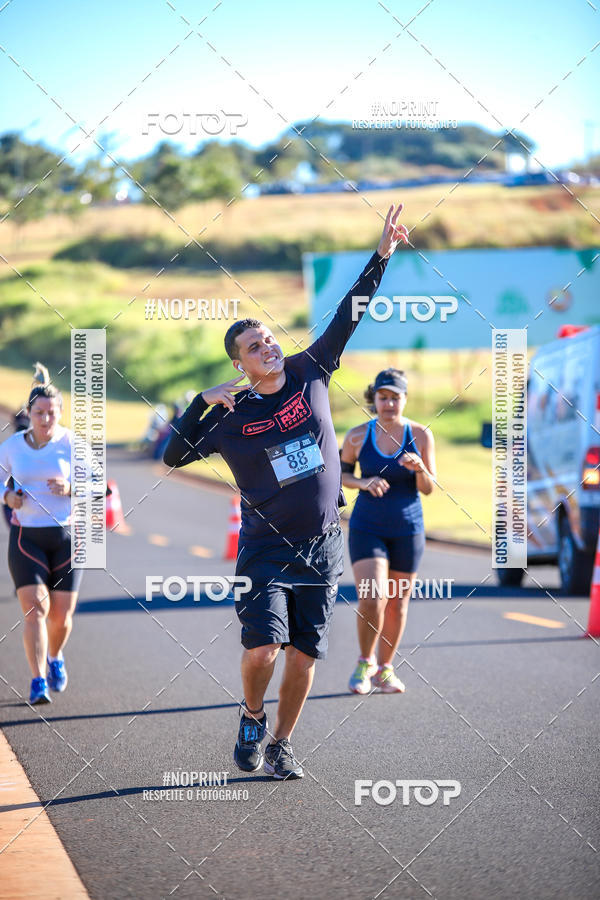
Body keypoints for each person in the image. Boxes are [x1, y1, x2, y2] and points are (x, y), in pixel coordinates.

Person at [164, 204, 408, 780]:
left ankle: (281, 743)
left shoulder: (310, 370)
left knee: (304, 655)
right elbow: (173, 455)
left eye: (268, 339)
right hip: (266, 548)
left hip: (323, 544)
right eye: (253, 347)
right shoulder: (230, 416)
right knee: (262, 652)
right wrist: (201, 401)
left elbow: (352, 314)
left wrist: (381, 258)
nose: (267, 348)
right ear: (238, 363)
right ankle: (251, 715)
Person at [340, 368, 436, 695]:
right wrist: (363, 482)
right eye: (383, 398)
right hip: (367, 526)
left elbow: (429, 488)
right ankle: (365, 662)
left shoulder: (421, 435)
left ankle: (385, 670)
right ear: (374, 399)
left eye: (396, 398)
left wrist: (419, 467)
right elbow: (340, 475)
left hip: (408, 528)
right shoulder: (356, 436)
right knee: (372, 597)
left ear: (405, 399)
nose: (389, 404)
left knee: (397, 603)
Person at [0, 363, 83, 704]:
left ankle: (55, 657)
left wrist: (70, 488)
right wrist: (8, 496)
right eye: (39, 412)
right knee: (36, 610)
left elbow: (98, 489)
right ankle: (37, 681)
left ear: (60, 413)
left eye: (51, 413)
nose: (45, 419)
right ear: (29, 413)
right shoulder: (12, 447)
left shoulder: (73, 444)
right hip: (26, 538)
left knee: (61, 618)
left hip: (65, 538)